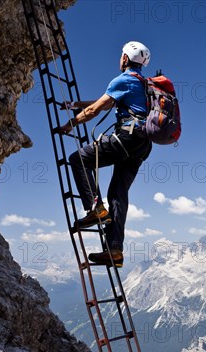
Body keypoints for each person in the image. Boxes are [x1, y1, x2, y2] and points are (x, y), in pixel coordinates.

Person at [57, 41, 152, 267]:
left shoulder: (123, 79)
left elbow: (95, 110)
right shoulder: (144, 85)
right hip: (143, 145)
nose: (120, 58)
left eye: (121, 55)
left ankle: (94, 208)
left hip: (126, 138)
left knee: (78, 159)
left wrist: (70, 124)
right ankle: (114, 251)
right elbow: (106, 103)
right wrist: (75, 104)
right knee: (118, 194)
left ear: (126, 59)